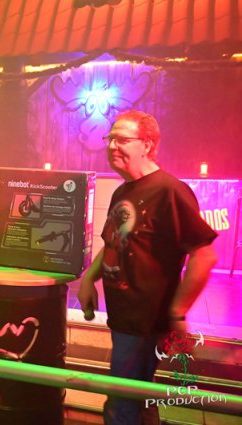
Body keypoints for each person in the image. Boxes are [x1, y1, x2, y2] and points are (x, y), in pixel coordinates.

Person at [77, 110, 218, 425]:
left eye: (122, 139)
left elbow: (205, 255)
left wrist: (177, 313)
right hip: (124, 318)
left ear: (148, 144)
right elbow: (113, 243)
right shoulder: (123, 190)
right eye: (110, 138)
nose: (112, 146)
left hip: (144, 323)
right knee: (139, 401)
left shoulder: (170, 191)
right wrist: (88, 279)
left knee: (121, 407)